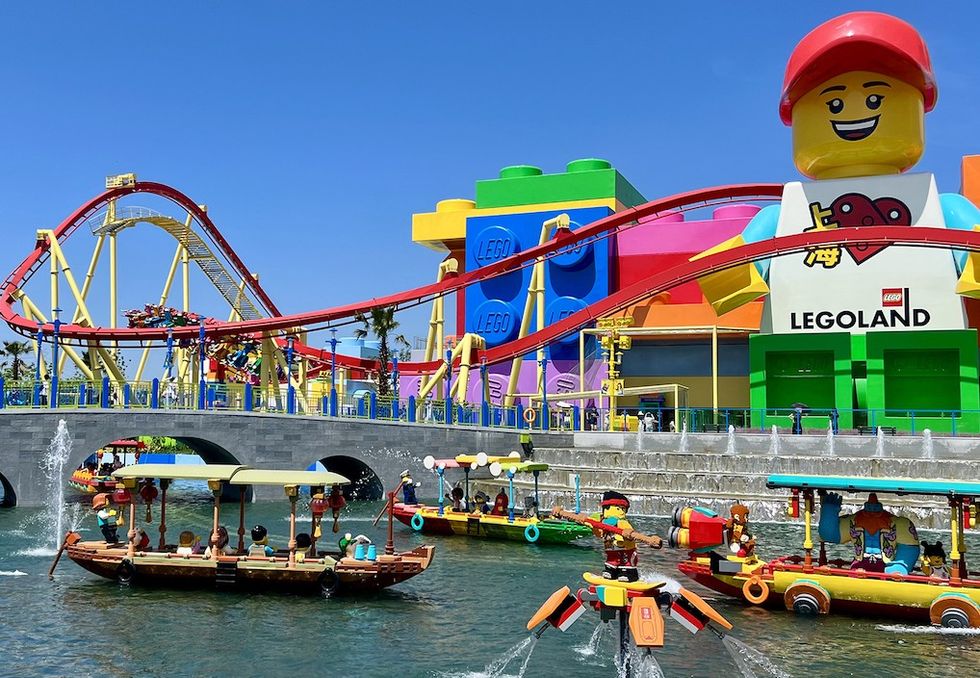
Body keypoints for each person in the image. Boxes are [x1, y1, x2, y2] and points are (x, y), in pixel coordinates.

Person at [818, 492, 920, 574]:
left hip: (886, 565)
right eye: (869, 509)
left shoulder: (898, 523)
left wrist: (899, 566)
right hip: (859, 563)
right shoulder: (853, 521)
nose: (872, 514)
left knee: (894, 573)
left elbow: (909, 548)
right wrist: (829, 511)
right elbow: (830, 535)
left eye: (875, 510)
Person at [594, 490, 638, 582]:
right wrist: (593, 527)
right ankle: (612, 571)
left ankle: (630, 574)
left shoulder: (622, 522)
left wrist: (628, 533)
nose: (621, 512)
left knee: (626, 561)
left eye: (622, 509)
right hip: (611, 548)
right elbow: (599, 533)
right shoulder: (603, 522)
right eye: (618, 509)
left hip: (625, 548)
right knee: (612, 559)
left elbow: (629, 531)